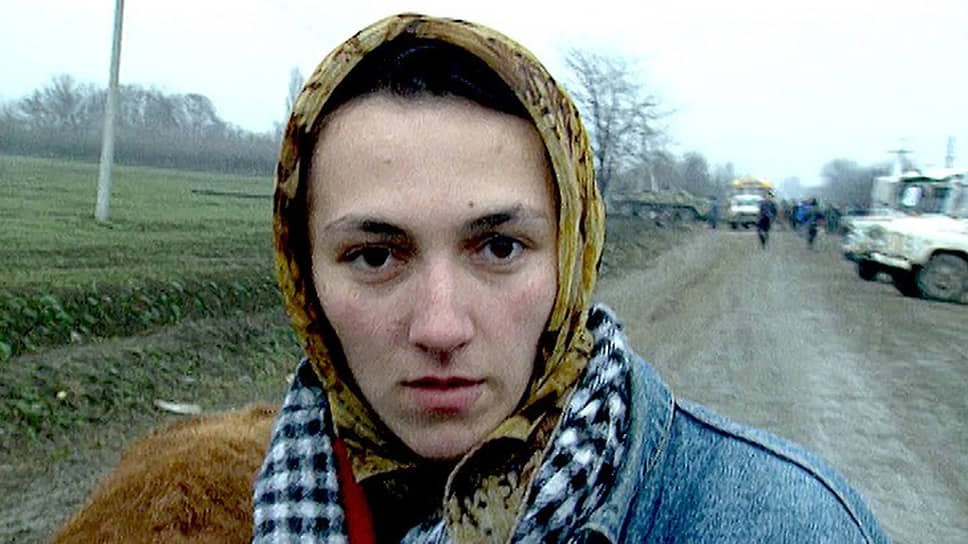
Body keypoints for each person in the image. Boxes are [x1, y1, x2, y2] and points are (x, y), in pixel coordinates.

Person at [53, 14, 891, 544]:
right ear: (304, 279)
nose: (441, 327)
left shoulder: (788, 523)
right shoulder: (244, 512)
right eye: (375, 257)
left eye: (498, 248)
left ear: (571, 256)